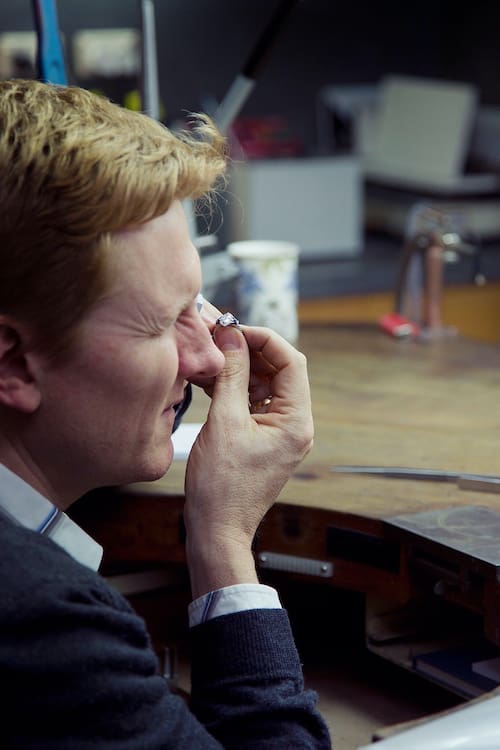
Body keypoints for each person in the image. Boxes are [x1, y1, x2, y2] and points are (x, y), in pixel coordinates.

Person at [0, 78, 331, 749]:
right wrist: (224, 539)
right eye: (162, 323)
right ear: (12, 361)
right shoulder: (43, 623)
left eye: (200, 309)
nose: (210, 358)